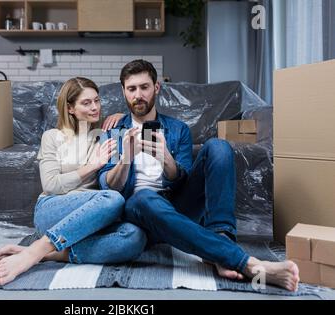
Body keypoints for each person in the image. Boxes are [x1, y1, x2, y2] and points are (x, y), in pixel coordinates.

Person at [98, 59, 300, 292]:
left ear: (156, 88)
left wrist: (166, 158)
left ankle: (222, 240)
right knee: (144, 197)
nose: (138, 95)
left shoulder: (177, 129)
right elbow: (107, 188)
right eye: (131, 89)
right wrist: (125, 159)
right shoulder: (112, 132)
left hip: (175, 205)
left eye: (144, 87)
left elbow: (182, 180)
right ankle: (243, 262)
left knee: (218, 146)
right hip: (138, 210)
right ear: (123, 91)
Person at [0, 77, 147, 286]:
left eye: (97, 101)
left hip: (92, 217)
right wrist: (93, 165)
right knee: (112, 200)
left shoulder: (106, 136)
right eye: (86, 103)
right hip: (52, 210)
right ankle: (37, 250)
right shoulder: (52, 137)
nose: (95, 107)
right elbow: (51, 185)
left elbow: (116, 183)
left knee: (135, 237)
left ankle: (46, 254)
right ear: (70, 108)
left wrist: (124, 119)